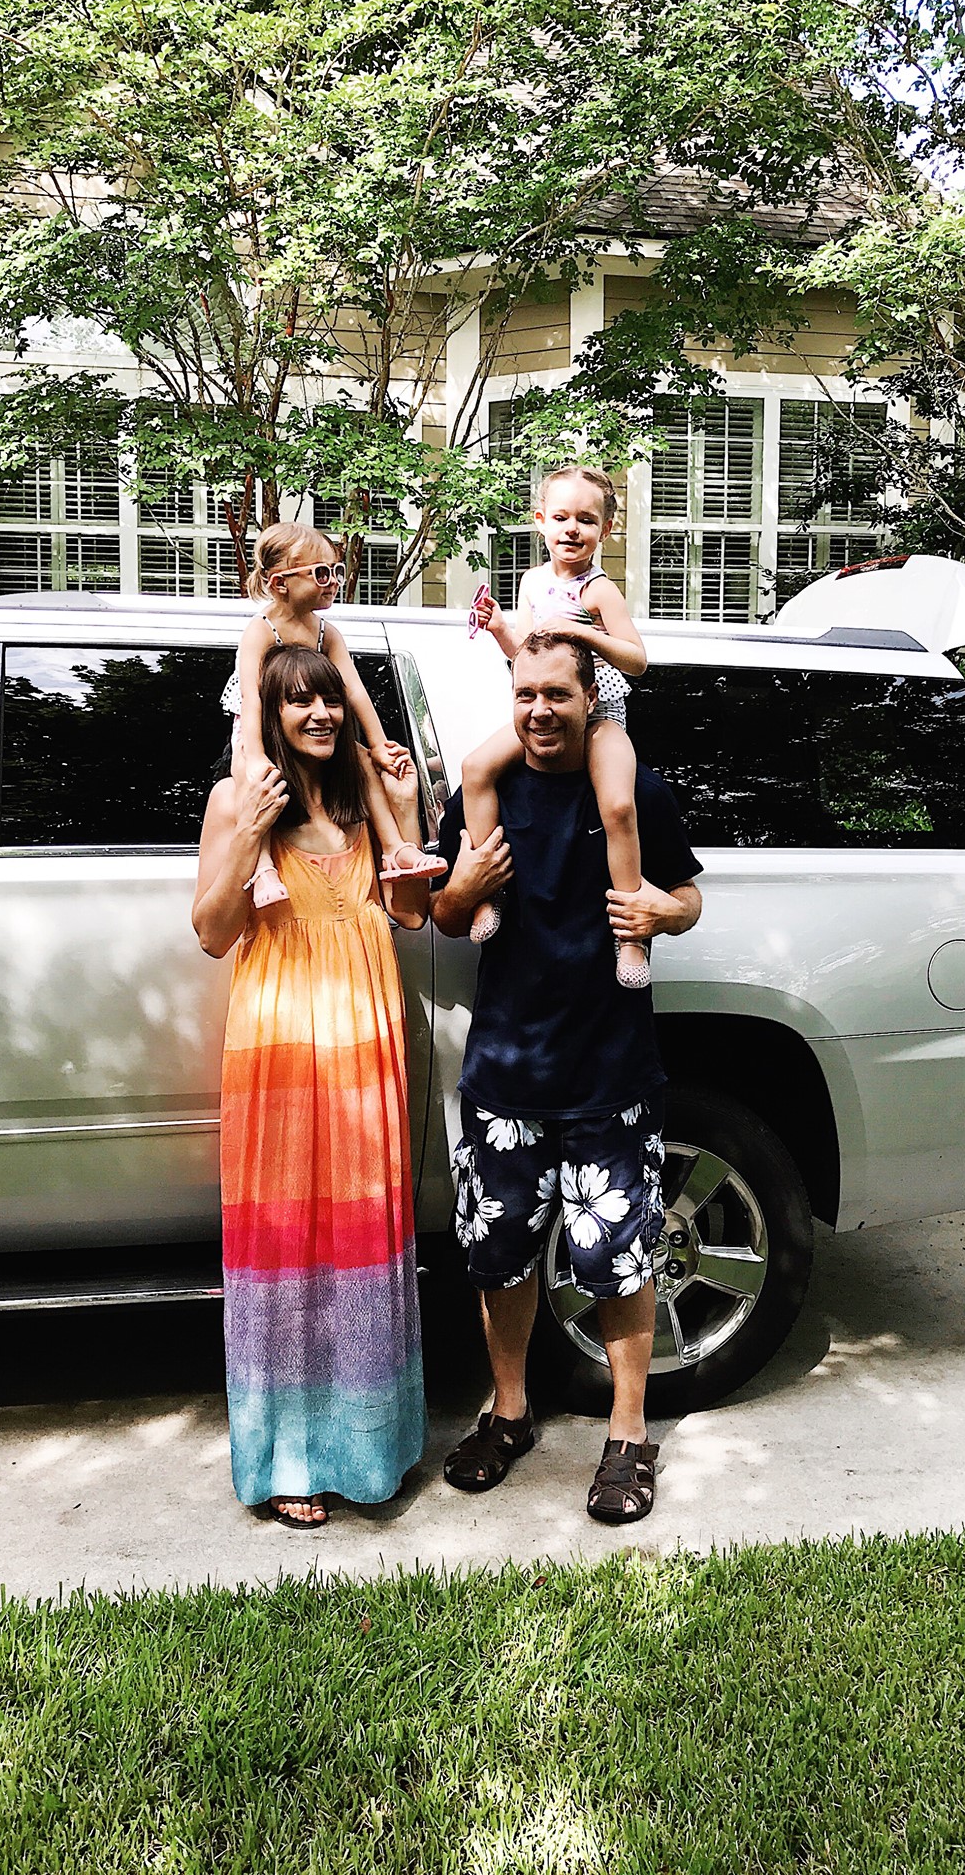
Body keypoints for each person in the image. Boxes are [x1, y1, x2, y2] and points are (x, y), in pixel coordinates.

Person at [431, 630, 703, 1525]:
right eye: (526, 695)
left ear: (592, 699)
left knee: (618, 1262)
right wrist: (463, 887)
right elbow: (443, 916)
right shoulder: (486, 791)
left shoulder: (634, 790)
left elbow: (689, 896)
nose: (540, 711)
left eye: (557, 694)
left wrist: (665, 914)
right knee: (499, 1257)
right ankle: (509, 1413)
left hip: (609, 1077)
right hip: (505, 1076)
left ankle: (628, 1436)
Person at [194, 643, 430, 1528]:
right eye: (298, 702)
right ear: (269, 713)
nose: (321, 715)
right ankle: (288, 1457)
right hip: (282, 1046)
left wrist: (407, 810)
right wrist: (248, 835)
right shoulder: (237, 798)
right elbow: (213, 933)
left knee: (365, 1234)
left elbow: (410, 913)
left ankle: (371, 1447)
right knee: (287, 1242)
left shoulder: (361, 798)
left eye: (329, 699)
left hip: (366, 1040)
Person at [464, 467, 651, 988]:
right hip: (546, 711)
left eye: (586, 520)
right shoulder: (532, 582)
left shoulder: (600, 590)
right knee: (475, 768)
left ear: (605, 530)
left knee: (618, 806)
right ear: (540, 521)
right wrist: (499, 628)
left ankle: (630, 936)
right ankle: (489, 894)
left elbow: (637, 660)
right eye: (562, 517)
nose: (572, 528)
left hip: (600, 714)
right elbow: (527, 657)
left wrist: (580, 631)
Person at [223, 521, 446, 908]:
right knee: (250, 777)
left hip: (287, 727)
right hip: (255, 728)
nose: (334, 582)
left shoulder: (327, 632)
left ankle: (395, 848)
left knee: (362, 761)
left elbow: (354, 691)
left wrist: (378, 745)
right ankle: (262, 867)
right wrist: (256, 756)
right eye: (322, 573)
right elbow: (251, 697)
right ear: (280, 583)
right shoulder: (261, 630)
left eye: (337, 571)